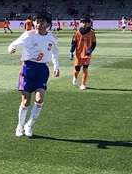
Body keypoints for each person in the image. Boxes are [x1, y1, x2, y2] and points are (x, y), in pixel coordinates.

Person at [8, 10, 60, 138]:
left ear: (48, 24)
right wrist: (11, 48)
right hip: (28, 68)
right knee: (26, 101)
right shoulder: (28, 35)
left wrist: (56, 66)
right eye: (37, 21)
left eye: (42, 22)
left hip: (42, 69)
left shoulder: (52, 38)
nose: (38, 24)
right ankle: (20, 126)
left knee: (39, 99)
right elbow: (13, 43)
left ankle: (29, 125)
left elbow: (55, 53)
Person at [69, 16, 97, 91]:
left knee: (85, 69)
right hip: (78, 54)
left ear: (89, 23)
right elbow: (73, 43)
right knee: (77, 69)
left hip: (87, 54)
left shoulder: (92, 33)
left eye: (86, 22)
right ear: (80, 23)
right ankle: (75, 77)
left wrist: (90, 50)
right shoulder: (77, 32)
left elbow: (94, 43)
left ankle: (83, 84)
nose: (84, 24)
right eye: (83, 22)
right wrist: (71, 52)